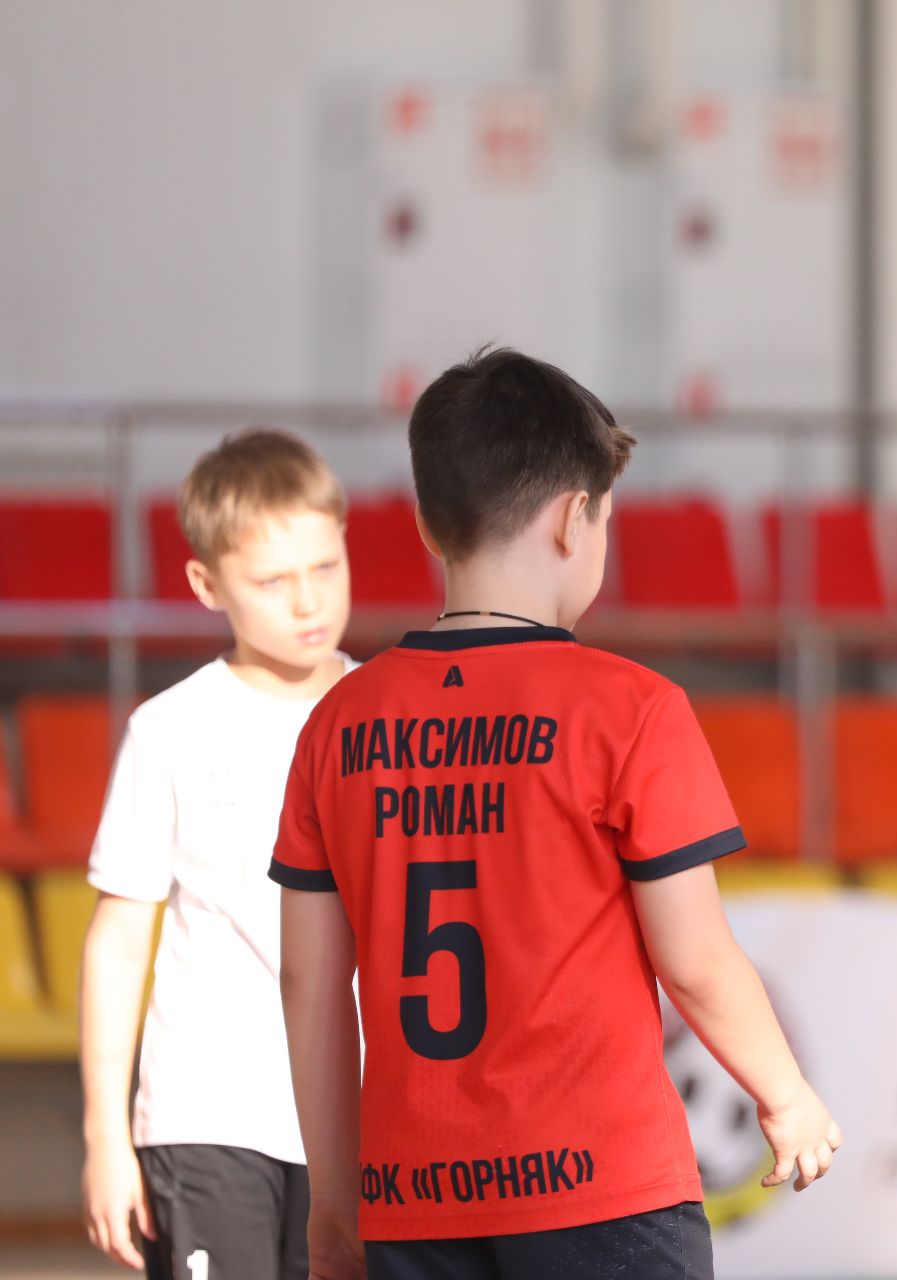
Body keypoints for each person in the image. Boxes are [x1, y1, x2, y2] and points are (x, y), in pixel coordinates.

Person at [271, 347, 841, 1280]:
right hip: (603, 1194)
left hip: (415, 1198)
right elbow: (695, 960)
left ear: (427, 525)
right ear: (575, 520)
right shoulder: (632, 710)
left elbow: (310, 983)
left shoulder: (337, 725)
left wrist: (336, 1202)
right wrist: (784, 1093)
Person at [79, 428, 354, 1276]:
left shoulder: (390, 719)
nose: (308, 602)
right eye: (272, 581)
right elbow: (119, 943)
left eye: (326, 566)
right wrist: (105, 1137)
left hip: (360, 1114)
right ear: (206, 584)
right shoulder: (169, 730)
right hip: (206, 1115)